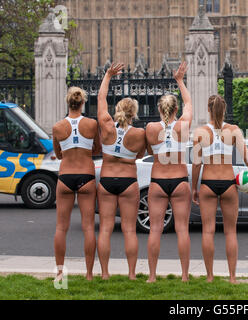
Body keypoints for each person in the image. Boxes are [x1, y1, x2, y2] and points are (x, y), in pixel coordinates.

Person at [191, 95, 248, 284]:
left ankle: (209, 277)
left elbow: (196, 164)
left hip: (208, 183)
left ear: (208, 110)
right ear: (224, 109)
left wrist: (194, 188)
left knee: (208, 231)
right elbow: (246, 156)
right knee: (231, 232)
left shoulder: (200, 132)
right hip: (228, 183)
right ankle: (232, 278)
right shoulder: (233, 130)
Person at [97, 63, 146, 280]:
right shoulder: (139, 133)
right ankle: (132, 274)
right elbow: (138, 156)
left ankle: (105, 273)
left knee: (106, 229)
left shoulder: (106, 125)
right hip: (128, 181)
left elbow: (100, 99)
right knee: (129, 230)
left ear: (117, 110)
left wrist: (107, 75)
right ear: (134, 113)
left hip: (107, 180)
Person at [145, 61, 193, 283]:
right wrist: (180, 81)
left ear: (158, 109)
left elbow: (147, 148)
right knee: (182, 230)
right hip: (180, 181)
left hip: (158, 182)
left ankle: (152, 276)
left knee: (155, 230)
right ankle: (184, 276)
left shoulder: (151, 128)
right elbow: (189, 103)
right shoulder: (182, 125)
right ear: (176, 110)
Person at [53, 87, 101, 281]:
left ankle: (59, 273)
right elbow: (97, 148)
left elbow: (58, 154)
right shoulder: (91, 124)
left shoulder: (58, 126)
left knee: (61, 227)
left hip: (65, 175)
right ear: (83, 103)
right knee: (88, 227)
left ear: (68, 103)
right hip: (85, 175)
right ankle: (89, 274)